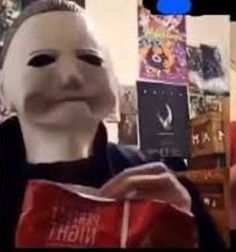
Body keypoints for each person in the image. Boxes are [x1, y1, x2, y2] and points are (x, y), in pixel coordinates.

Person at [0, 0, 225, 249]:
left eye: (91, 59)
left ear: (114, 85)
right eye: (41, 60)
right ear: (3, 92)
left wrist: (188, 235)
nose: (71, 76)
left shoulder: (161, 183)